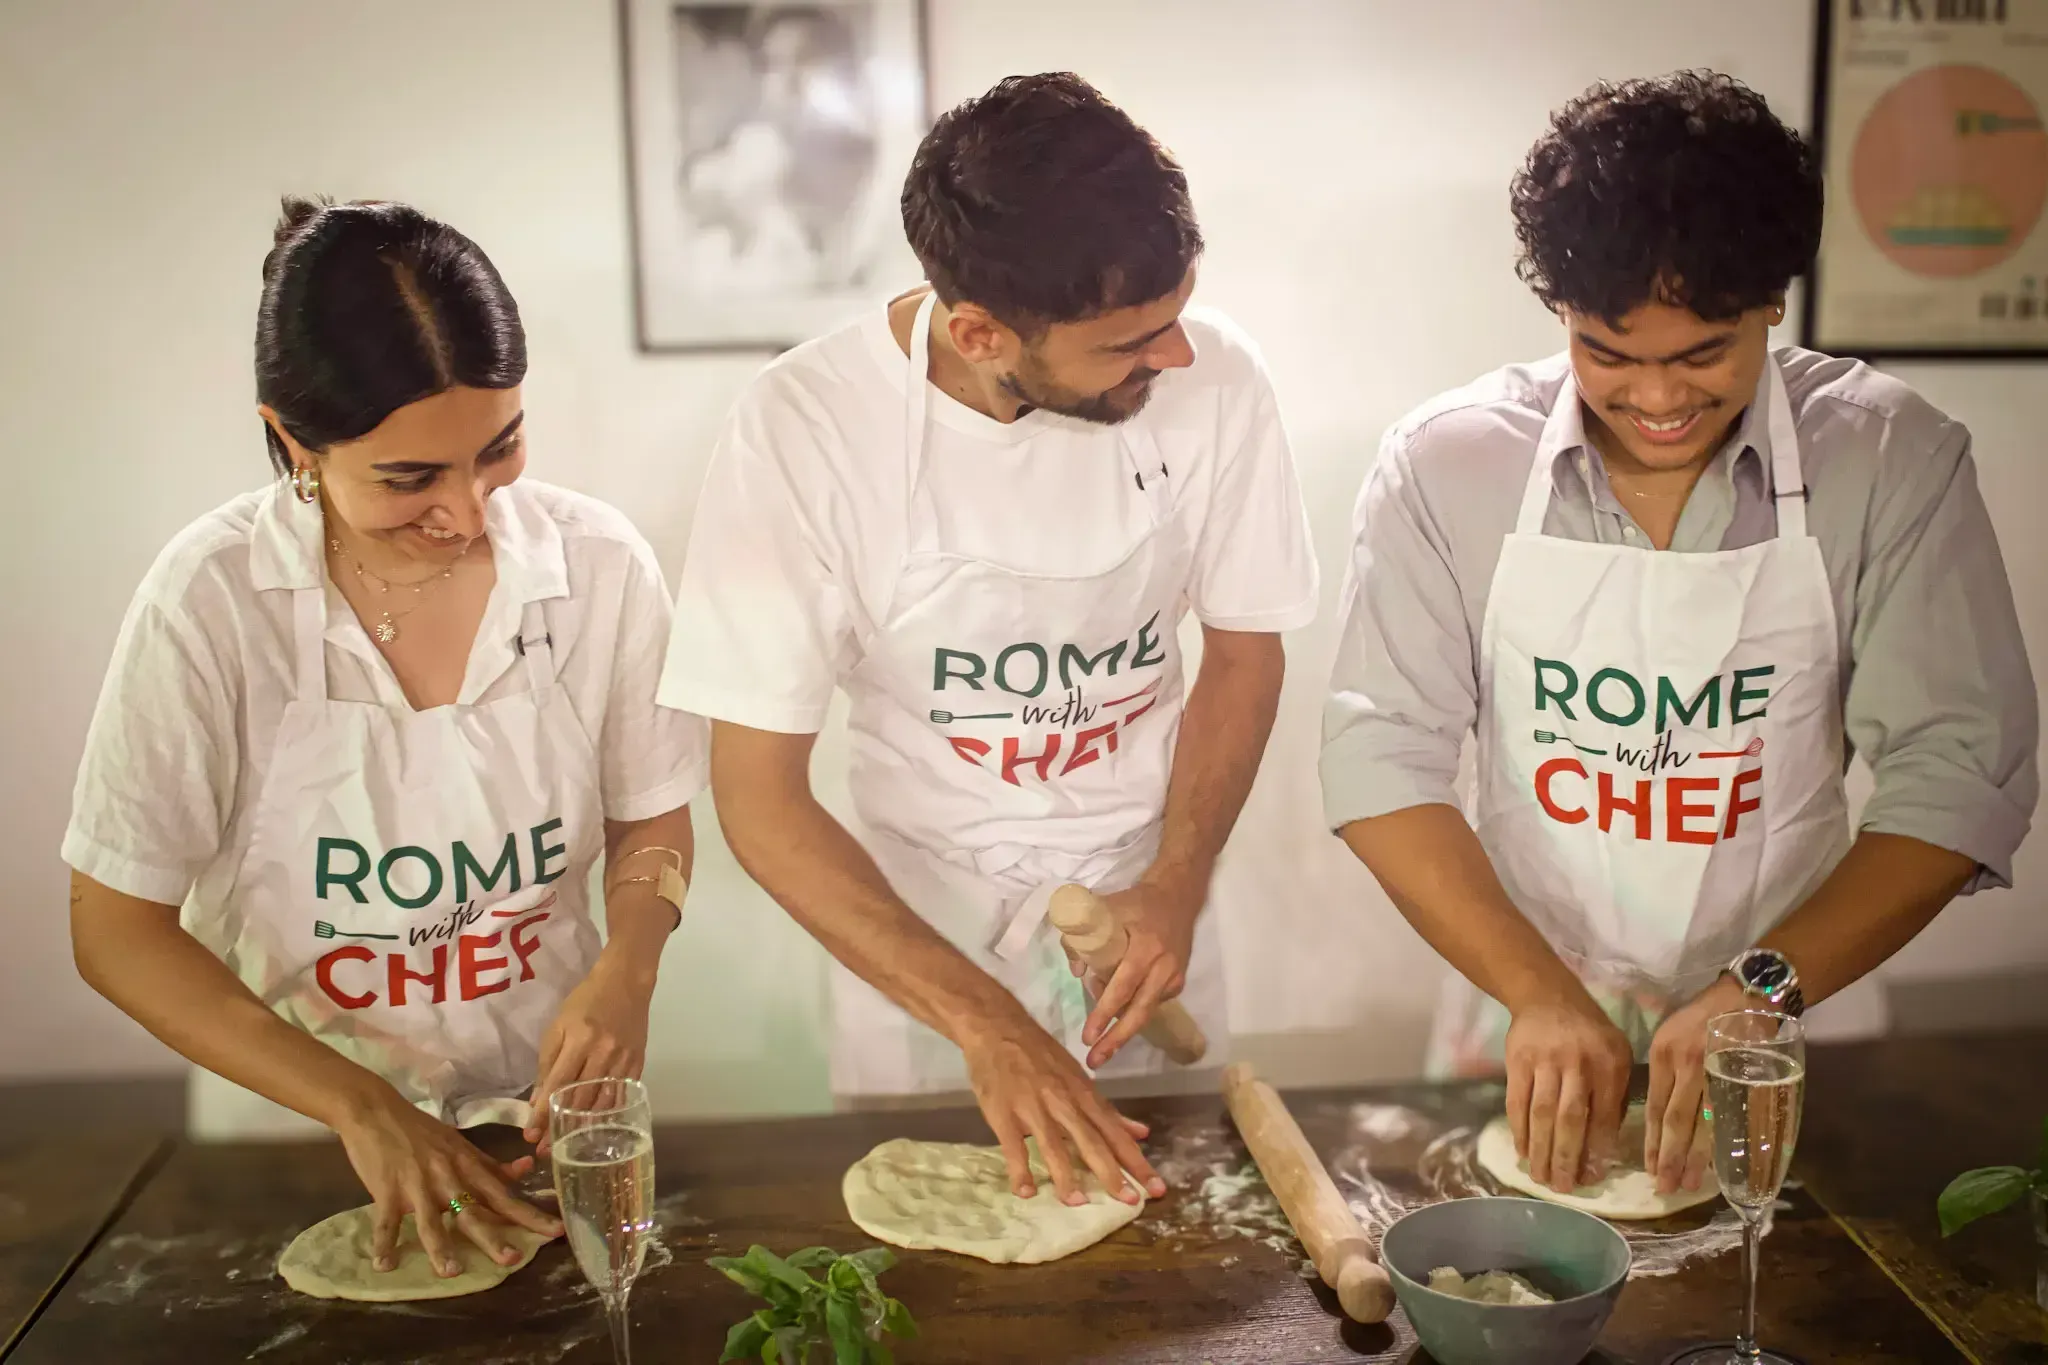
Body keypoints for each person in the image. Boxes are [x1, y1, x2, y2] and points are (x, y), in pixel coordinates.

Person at [1323, 73, 2037, 1199]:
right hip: (1524, 1006)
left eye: (1702, 353)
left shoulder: (1888, 458)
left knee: (1787, 1262)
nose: (1655, 398)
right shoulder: (1447, 465)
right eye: (1606, 353)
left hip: (1793, 997)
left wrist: (1760, 992)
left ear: (1772, 303)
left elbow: (1956, 772)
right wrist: (1537, 991)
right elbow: (1380, 753)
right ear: (1560, 310)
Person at [660, 73, 1317, 1207]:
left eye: (1176, 315)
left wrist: (1176, 883)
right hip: (928, 949)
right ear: (978, 333)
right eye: (1128, 344)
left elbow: (1246, 652)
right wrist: (987, 1026)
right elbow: (757, 797)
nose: (1173, 358)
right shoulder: (806, 429)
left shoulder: (1217, 382)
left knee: (1182, 1245)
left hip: (1148, 932)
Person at [65, 199, 707, 1279]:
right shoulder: (212, 599)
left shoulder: (596, 567)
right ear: (292, 441)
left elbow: (651, 816)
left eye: (498, 449)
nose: (468, 511)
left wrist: (629, 967)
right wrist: (358, 1104)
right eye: (410, 479)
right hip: (298, 1134)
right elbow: (115, 929)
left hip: (532, 1125)